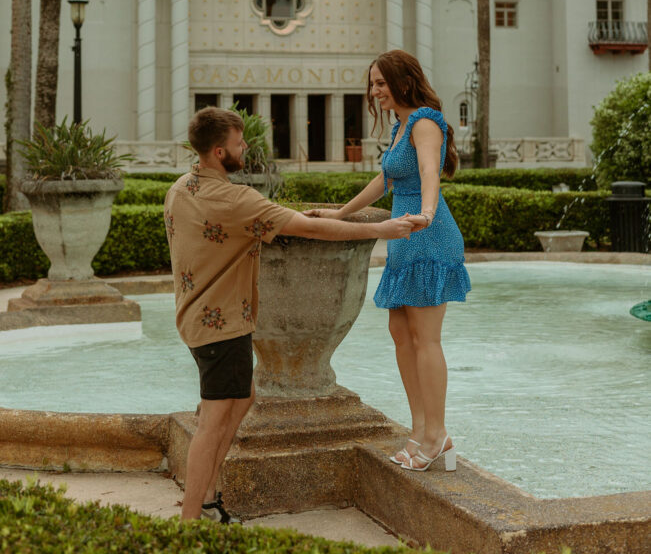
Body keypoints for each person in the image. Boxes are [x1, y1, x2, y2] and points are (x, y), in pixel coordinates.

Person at [164, 105, 429, 522]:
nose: (245, 147)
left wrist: (289, 217)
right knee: (213, 422)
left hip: (195, 317)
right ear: (218, 152)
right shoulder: (235, 199)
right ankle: (192, 521)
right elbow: (311, 230)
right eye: (238, 143)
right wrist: (380, 229)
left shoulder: (182, 187)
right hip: (223, 324)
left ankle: (209, 497)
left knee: (243, 395)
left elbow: (273, 221)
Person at [311, 50, 471, 473]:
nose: (374, 91)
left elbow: (429, 171)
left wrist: (429, 212)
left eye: (381, 83)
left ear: (403, 80)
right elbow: (385, 181)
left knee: (426, 338)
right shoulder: (402, 125)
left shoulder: (423, 121)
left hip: (427, 233)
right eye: (372, 83)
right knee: (401, 332)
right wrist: (339, 214)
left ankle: (435, 435)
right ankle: (423, 430)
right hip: (404, 235)